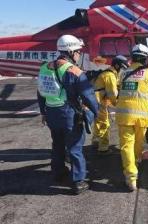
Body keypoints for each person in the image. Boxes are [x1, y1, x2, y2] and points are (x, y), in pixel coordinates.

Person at [37, 34, 99, 195]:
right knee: (75, 147)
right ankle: (79, 181)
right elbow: (88, 95)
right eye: (78, 51)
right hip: (68, 114)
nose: (79, 54)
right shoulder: (74, 71)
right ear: (71, 51)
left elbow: (40, 93)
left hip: (51, 113)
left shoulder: (45, 67)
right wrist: (96, 112)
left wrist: (43, 112)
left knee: (57, 144)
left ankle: (58, 172)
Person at [116, 44, 148, 191]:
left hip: (124, 116)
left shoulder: (123, 73)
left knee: (126, 145)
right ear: (146, 59)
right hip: (142, 117)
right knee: (138, 144)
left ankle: (131, 177)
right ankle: (137, 160)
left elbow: (118, 90)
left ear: (132, 58)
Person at [92, 55, 129, 154]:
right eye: (122, 68)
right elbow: (113, 95)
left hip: (96, 101)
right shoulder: (110, 75)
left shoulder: (111, 73)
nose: (122, 71)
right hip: (99, 102)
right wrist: (121, 106)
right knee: (104, 123)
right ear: (117, 66)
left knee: (98, 122)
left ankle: (96, 141)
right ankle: (103, 148)